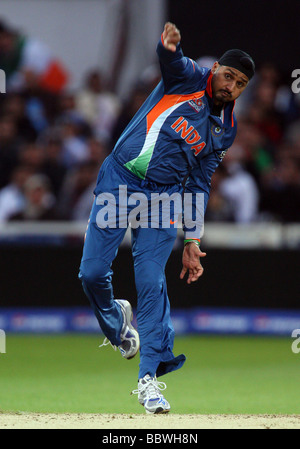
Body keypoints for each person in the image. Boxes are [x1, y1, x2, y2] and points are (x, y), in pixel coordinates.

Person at [78, 22, 255, 414]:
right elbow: (170, 60)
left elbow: (200, 184)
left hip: (164, 200)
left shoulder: (224, 129)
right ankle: (115, 319)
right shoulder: (189, 77)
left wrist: (192, 240)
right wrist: (169, 46)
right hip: (121, 181)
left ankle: (149, 381)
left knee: (152, 282)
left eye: (240, 83)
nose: (231, 86)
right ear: (216, 71)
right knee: (91, 274)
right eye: (228, 75)